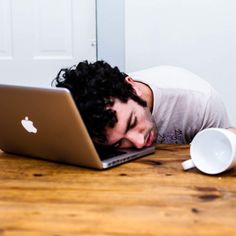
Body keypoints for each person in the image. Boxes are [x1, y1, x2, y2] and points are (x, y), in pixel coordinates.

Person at [52, 60, 235, 149]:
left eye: (132, 122)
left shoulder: (200, 101)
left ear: (132, 88)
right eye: (118, 143)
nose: (139, 143)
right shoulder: (95, 114)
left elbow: (227, 146)